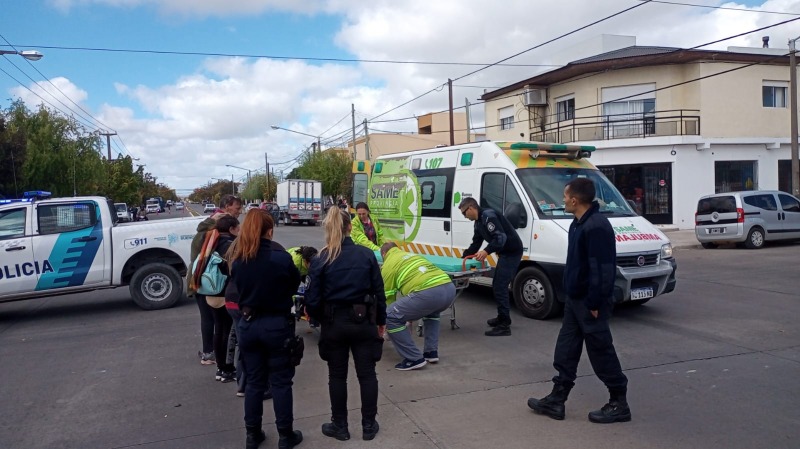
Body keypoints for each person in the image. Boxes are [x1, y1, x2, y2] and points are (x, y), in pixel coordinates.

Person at [527, 178, 630, 424]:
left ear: (575, 200)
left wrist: (595, 303)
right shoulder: (578, 223)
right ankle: (557, 400)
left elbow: (603, 270)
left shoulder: (596, 226)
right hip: (575, 301)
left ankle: (619, 402)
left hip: (590, 303)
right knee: (566, 350)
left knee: (601, 352)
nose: (562, 200)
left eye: (564, 196)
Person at [305, 209, 386, 442]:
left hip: (334, 323)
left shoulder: (322, 258)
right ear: (350, 227)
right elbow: (379, 292)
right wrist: (381, 321)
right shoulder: (366, 255)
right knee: (367, 375)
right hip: (364, 321)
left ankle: (340, 425)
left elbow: (311, 299)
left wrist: (321, 319)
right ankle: (369, 425)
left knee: (337, 376)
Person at [228, 209, 303, 449]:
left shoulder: (239, 260)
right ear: (269, 230)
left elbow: (238, 288)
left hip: (248, 324)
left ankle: (252, 434)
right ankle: (285, 434)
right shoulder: (281, 258)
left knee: (254, 382)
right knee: (281, 382)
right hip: (276, 324)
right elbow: (294, 284)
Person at [379, 242, 456, 370]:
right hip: (449, 288)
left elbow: (388, 298)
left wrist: (389, 325)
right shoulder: (412, 255)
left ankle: (413, 358)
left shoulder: (388, 265)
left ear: (383, 254)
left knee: (391, 315)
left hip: (428, 293)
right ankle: (431, 353)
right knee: (432, 312)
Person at [188, 194, 243, 365]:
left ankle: (211, 353)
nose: (240, 211)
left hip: (202, 278)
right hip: (211, 281)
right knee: (218, 322)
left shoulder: (209, 227)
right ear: (227, 207)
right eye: (237, 208)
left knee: (213, 320)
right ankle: (214, 356)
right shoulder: (217, 232)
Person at [459, 197, 523, 337]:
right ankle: (502, 317)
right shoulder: (478, 222)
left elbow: (501, 238)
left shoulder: (488, 216)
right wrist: (463, 257)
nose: (464, 216)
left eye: (464, 213)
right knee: (497, 285)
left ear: (470, 208)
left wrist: (486, 251)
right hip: (505, 253)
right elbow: (476, 243)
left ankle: (504, 325)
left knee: (500, 286)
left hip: (512, 252)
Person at [208, 215, 239, 384]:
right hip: (224, 292)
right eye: (238, 228)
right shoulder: (230, 245)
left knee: (218, 330)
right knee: (228, 332)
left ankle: (220, 368)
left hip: (210, 291)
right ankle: (227, 369)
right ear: (231, 229)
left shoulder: (212, 242)